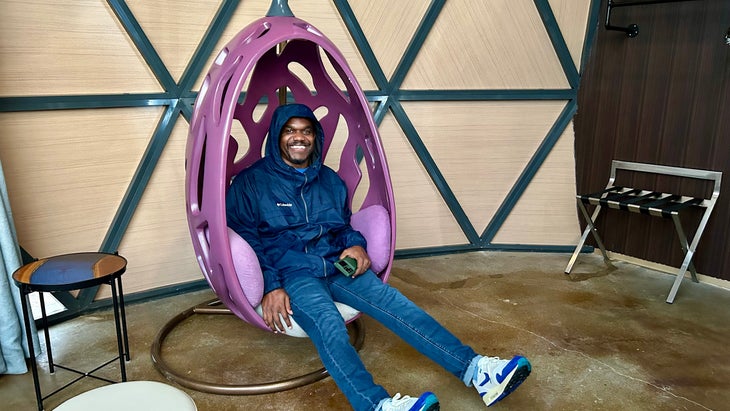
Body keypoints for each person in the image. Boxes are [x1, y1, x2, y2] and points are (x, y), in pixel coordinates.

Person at [226, 103, 531, 411]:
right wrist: (271, 286)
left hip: (335, 264)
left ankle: (476, 371)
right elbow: (248, 240)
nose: (298, 138)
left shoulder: (329, 181)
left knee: (396, 305)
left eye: (306, 131)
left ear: (315, 136)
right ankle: (375, 405)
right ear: (278, 135)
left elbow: (343, 226)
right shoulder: (251, 183)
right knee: (330, 325)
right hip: (293, 274)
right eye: (290, 130)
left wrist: (356, 245)